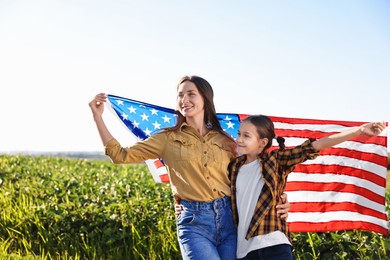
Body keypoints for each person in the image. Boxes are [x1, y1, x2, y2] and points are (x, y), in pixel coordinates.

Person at [89, 76, 290, 260]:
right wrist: (98, 117)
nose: (184, 99)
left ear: (205, 99)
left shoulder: (226, 140)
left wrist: (279, 198)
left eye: (191, 94)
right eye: (180, 95)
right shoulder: (166, 138)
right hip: (194, 223)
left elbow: (254, 171)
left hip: (230, 221)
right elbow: (120, 155)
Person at [228, 115, 386, 260]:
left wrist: (359, 130)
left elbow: (315, 146)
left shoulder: (275, 160)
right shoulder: (234, 167)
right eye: (239, 134)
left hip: (273, 244)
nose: (239, 139)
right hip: (244, 249)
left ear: (262, 142)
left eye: (246, 136)